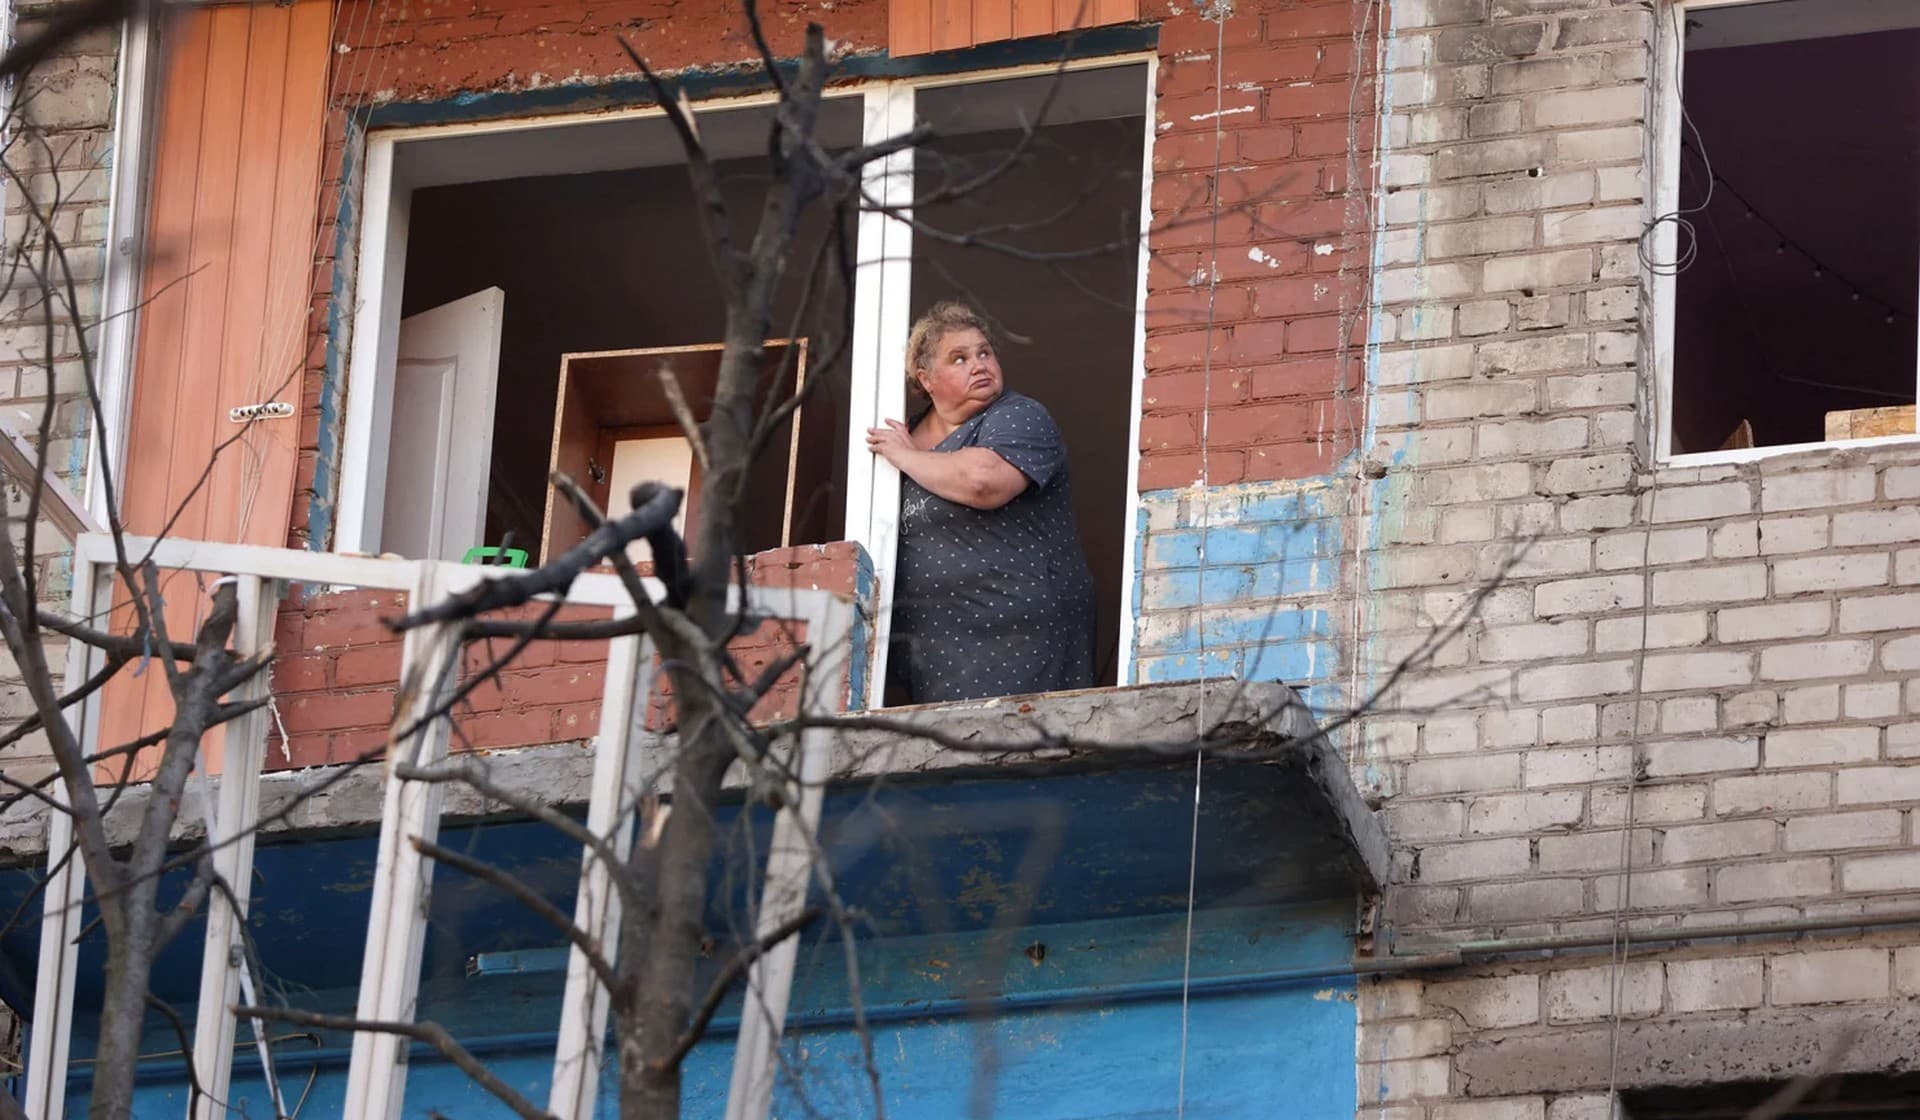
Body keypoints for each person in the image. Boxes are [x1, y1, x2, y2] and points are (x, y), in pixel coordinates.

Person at [866, 301, 1096, 705]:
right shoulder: (904, 433)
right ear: (926, 378)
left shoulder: (1019, 416)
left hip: (1021, 643)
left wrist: (906, 457)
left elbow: (983, 481)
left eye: (984, 352)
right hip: (937, 655)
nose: (979, 365)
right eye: (959, 358)